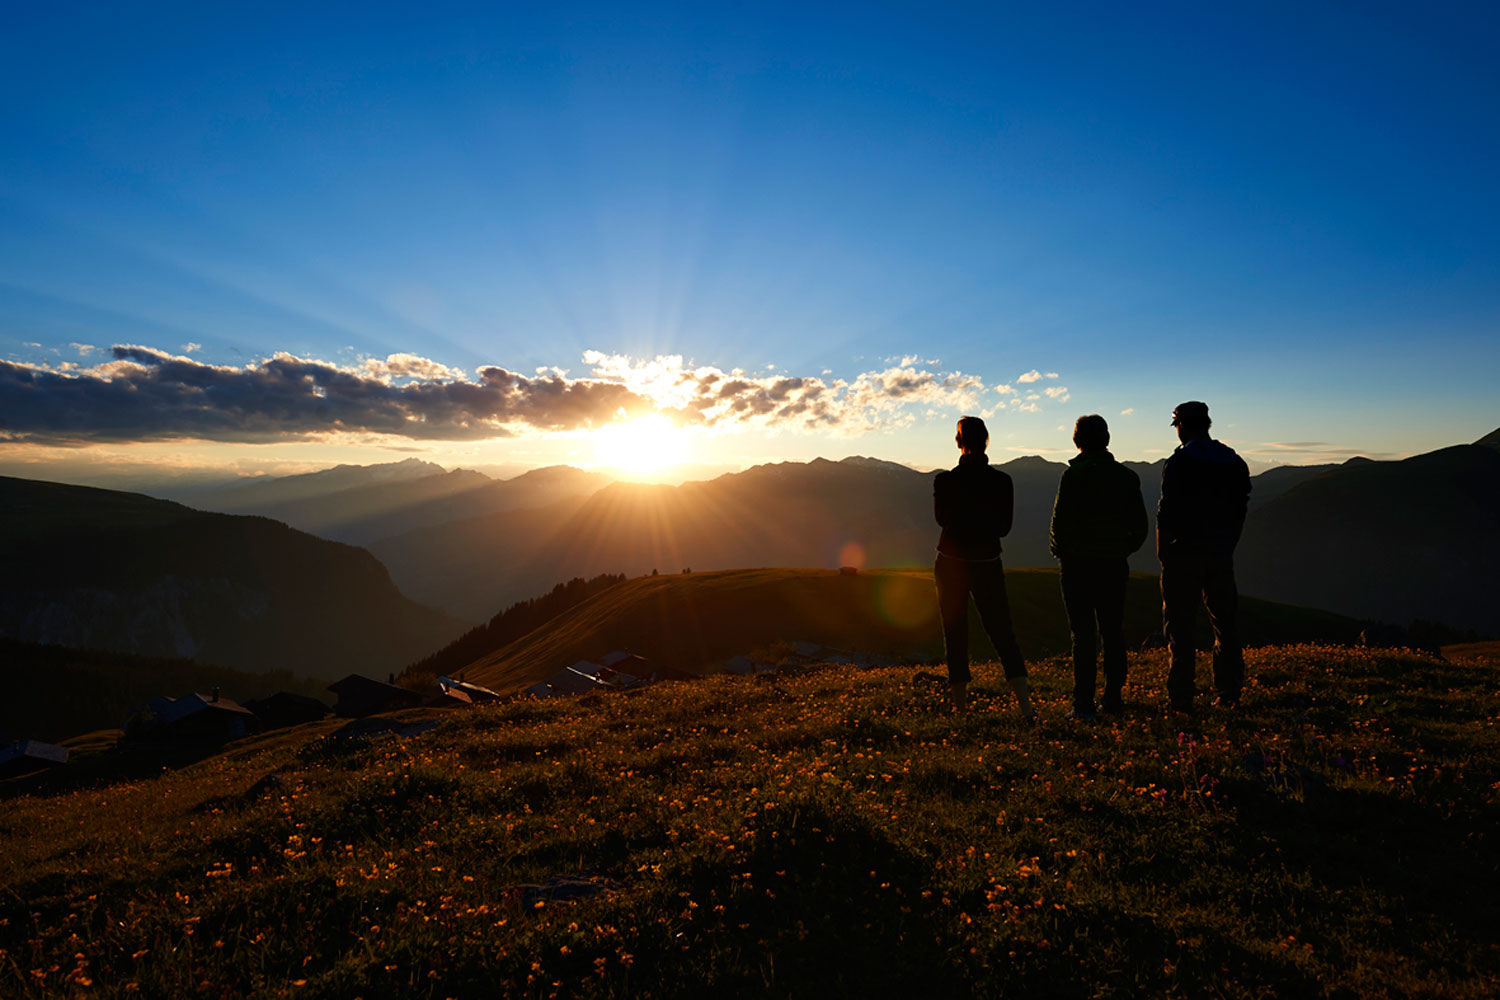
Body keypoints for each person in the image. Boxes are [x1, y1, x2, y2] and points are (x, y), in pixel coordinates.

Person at [1049, 414, 1148, 720]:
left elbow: (1059, 523)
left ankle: (1083, 705)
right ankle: (1114, 699)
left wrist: (1062, 551)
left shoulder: (1073, 476)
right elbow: (1140, 527)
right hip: (1113, 565)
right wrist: (1119, 549)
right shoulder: (1127, 478)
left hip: (1077, 565)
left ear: (1078, 441)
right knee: (1113, 631)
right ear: (1106, 439)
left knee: (1083, 634)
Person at [933, 416, 1033, 718]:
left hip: (950, 563)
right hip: (988, 562)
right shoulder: (1002, 482)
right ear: (986, 441)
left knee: (955, 632)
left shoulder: (945, 481)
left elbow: (941, 520)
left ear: (958, 442)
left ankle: (961, 709)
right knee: (1003, 632)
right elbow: (1004, 527)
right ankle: (1025, 707)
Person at [1156, 401, 1251, 711]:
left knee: (1180, 627)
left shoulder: (1180, 462)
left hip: (1183, 552)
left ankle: (1181, 697)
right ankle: (1228, 693)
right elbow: (1241, 506)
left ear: (1182, 425)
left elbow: (1166, 513)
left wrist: (1164, 553)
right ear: (1207, 424)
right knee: (1225, 622)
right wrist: (1229, 541)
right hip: (1220, 551)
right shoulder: (1232, 460)